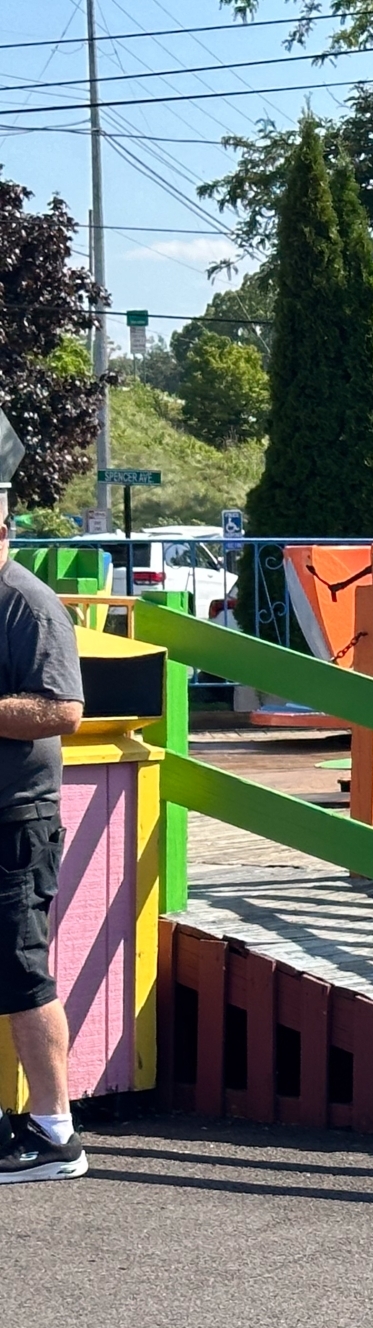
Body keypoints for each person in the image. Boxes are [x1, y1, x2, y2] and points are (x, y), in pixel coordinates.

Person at [0, 483, 88, 1183]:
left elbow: (63, 710)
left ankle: (57, 1135)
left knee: (22, 972)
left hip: (14, 822)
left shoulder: (27, 602)